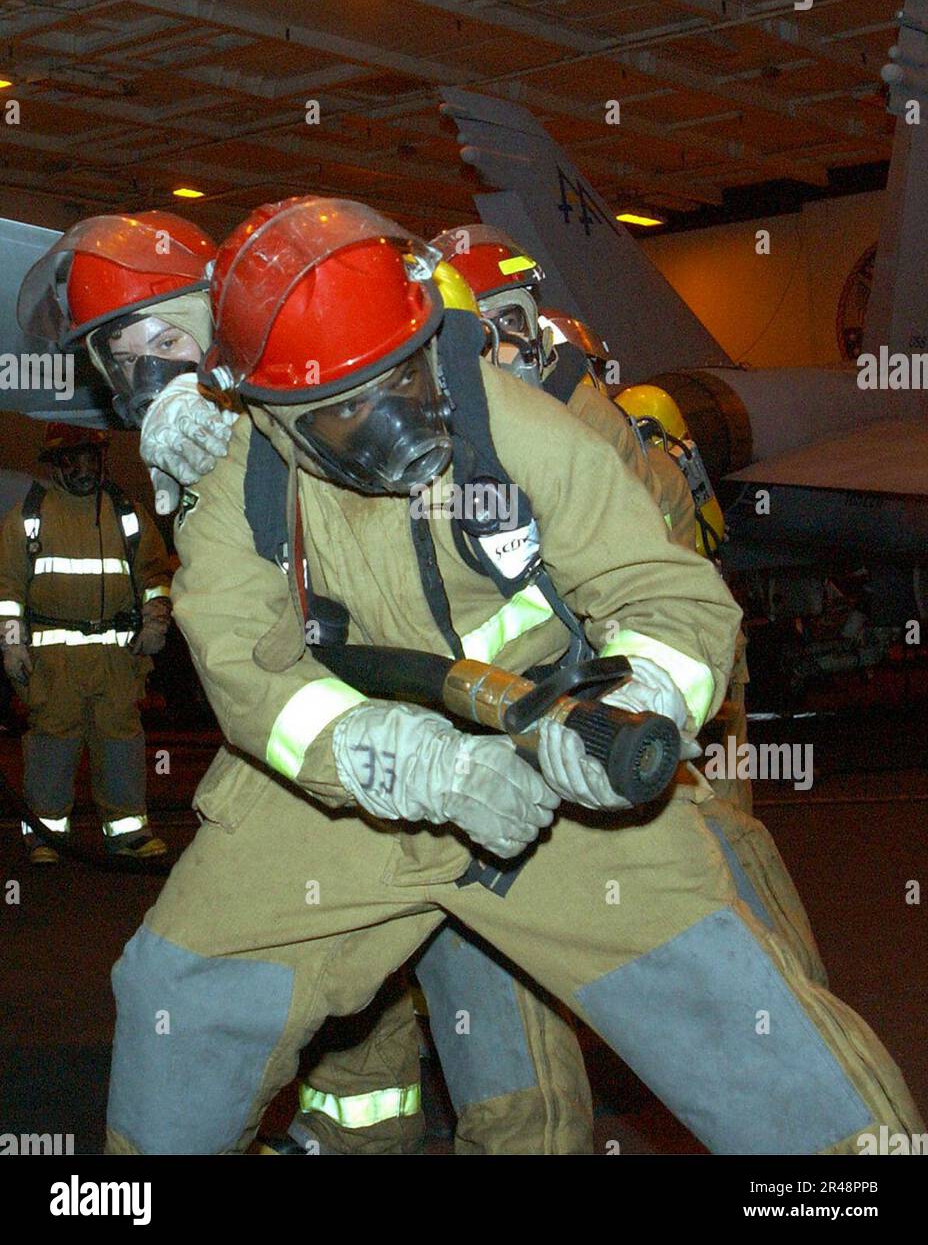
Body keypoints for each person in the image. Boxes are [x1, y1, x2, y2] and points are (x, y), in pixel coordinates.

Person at [103, 196, 922, 1156]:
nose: (393, 422)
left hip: (548, 763)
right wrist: (391, 758)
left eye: (402, 377)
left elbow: (673, 600)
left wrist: (641, 698)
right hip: (342, 788)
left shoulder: (512, 424)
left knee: (736, 1018)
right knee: (180, 990)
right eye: (346, 408)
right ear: (269, 410)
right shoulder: (242, 473)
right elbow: (245, 665)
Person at [0, 425, 172, 861]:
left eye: (90, 459)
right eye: (73, 460)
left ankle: (128, 831)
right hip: (53, 660)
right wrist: (12, 644)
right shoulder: (28, 517)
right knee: (52, 742)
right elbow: (7, 591)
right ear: (55, 465)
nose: (83, 468)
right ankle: (44, 833)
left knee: (120, 740)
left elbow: (155, 577)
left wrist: (155, 620)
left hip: (117, 656)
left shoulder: (127, 515)